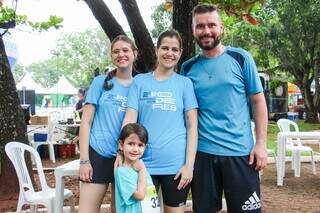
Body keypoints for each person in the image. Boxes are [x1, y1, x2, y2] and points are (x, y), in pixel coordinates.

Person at [180, 4, 268, 213]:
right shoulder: (187, 68)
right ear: (193, 30)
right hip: (202, 154)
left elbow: (258, 101)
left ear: (222, 28)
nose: (206, 31)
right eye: (200, 26)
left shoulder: (241, 58)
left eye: (211, 25)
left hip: (240, 153)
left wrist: (261, 144)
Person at [122, 30, 198, 213]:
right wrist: (123, 154)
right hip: (143, 165)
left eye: (174, 49)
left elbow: (192, 126)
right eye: (165, 48)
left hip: (176, 167)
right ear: (157, 50)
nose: (169, 53)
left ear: (180, 53)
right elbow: (130, 120)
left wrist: (189, 165)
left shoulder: (185, 84)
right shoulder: (140, 82)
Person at [78, 35, 137, 213]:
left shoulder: (140, 85)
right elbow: (86, 122)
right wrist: (84, 160)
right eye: (116, 52)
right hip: (98, 154)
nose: (121, 54)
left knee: (120, 210)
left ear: (135, 53)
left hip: (127, 157)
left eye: (125, 50)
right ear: (112, 56)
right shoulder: (101, 83)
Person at [115, 123, 160, 213]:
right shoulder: (122, 172)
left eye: (140, 145)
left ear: (145, 147)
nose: (135, 149)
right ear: (121, 145)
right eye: (131, 144)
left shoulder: (139, 164)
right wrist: (142, 170)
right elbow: (140, 195)